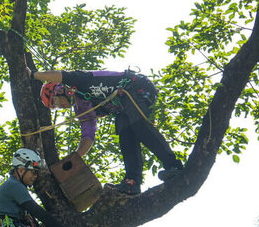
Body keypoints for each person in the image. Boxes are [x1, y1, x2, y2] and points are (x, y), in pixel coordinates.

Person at [34, 68, 184, 195]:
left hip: (136, 88)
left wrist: (34, 75)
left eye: (55, 101)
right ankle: (132, 182)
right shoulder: (82, 107)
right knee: (125, 138)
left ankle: (173, 165)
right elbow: (88, 136)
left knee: (139, 126)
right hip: (122, 108)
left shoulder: (79, 80)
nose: (60, 107)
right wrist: (75, 159)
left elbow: (62, 75)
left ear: (59, 90)